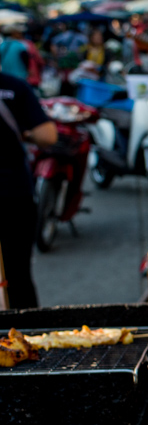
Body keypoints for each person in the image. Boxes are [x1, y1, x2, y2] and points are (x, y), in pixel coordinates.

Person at [0, 72, 56, 307]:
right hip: (12, 194)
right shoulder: (12, 86)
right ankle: (24, 336)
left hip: (13, 194)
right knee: (18, 276)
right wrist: (26, 134)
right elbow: (48, 136)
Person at [0, 16, 31, 82]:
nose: (21, 35)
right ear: (13, 33)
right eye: (19, 33)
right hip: (20, 76)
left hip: (6, 76)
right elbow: (26, 59)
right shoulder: (20, 45)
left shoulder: (2, 45)